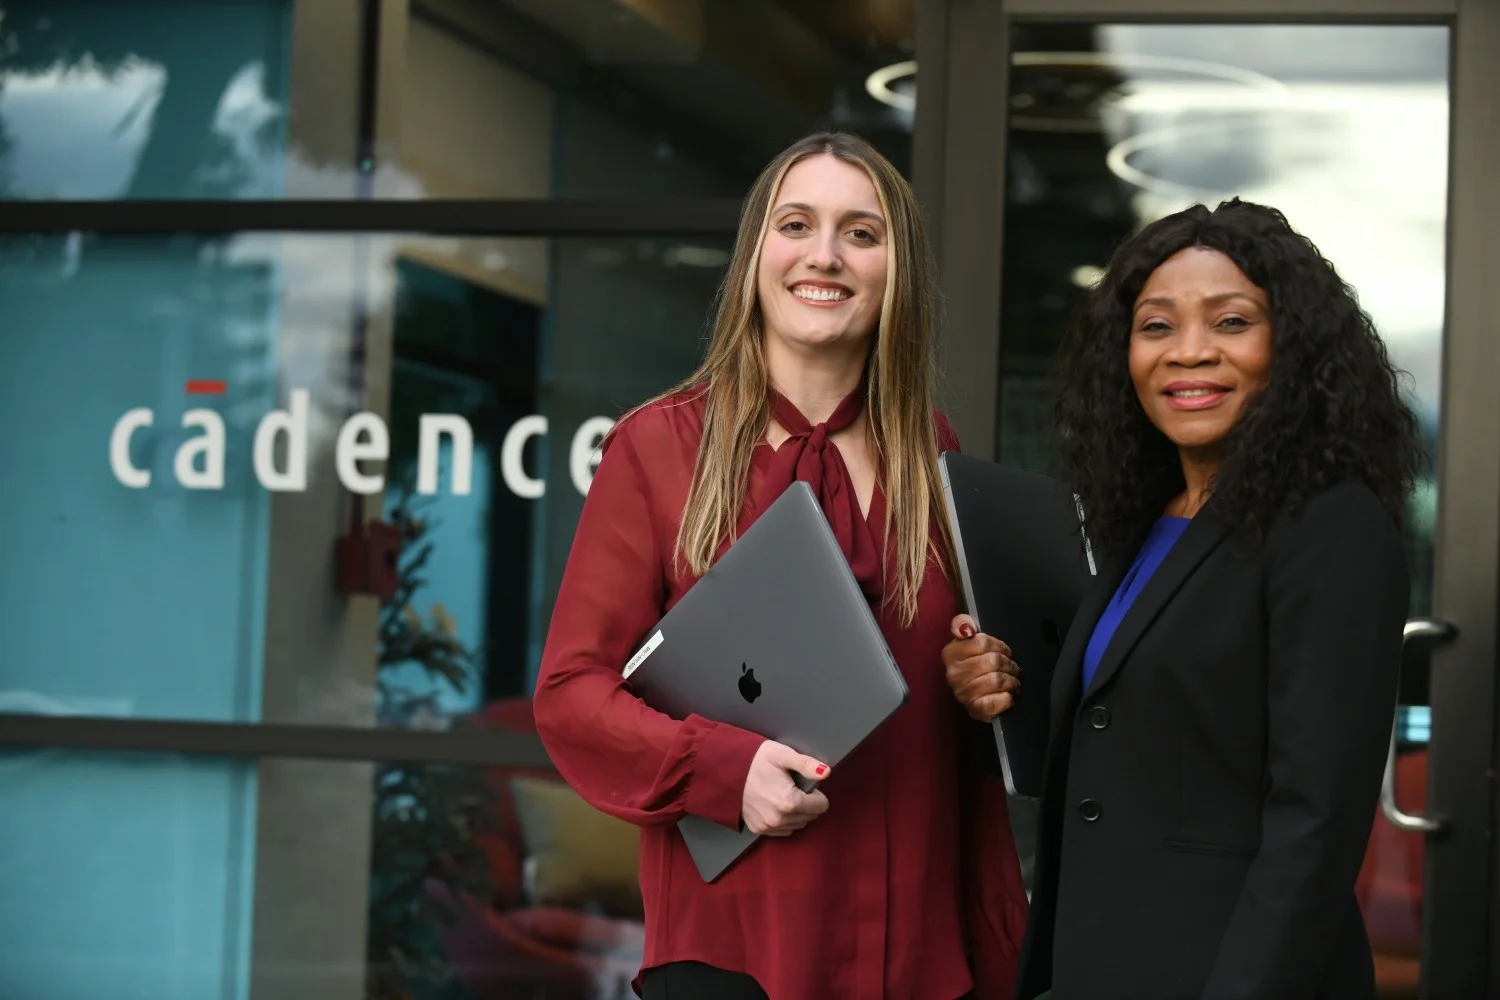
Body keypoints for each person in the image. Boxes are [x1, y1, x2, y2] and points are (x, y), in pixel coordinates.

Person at [532, 132, 1029, 1000]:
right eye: (796, 224)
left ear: (896, 268)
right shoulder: (658, 449)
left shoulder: (931, 453)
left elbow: (939, 692)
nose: (825, 255)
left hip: (919, 957)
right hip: (737, 957)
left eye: (861, 233)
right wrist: (724, 771)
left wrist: (975, 674)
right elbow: (572, 694)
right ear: (757, 254)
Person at [943, 198, 1420, 999]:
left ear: (1292, 350)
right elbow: (1131, 733)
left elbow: (1316, 822)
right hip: (1092, 965)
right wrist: (995, 684)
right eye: (1157, 326)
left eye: (1231, 323)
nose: (1188, 353)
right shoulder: (1146, 526)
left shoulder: (1330, 524)